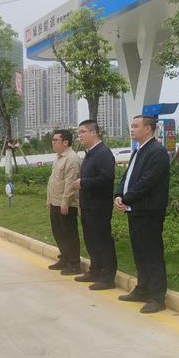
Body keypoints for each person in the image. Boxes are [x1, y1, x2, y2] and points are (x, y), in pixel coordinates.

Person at [114, 115, 171, 313]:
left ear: (148, 129)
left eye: (135, 126)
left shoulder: (157, 152)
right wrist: (119, 195)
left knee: (152, 254)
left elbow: (147, 182)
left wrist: (127, 198)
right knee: (139, 252)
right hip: (135, 210)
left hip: (149, 212)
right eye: (131, 126)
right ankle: (142, 289)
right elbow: (127, 177)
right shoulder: (138, 150)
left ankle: (157, 297)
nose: (131, 129)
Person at [72, 120, 118, 290]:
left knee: (102, 240)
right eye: (79, 133)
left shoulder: (103, 153)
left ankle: (108, 277)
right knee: (91, 239)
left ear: (93, 132)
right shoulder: (90, 153)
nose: (80, 136)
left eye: (82, 132)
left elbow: (107, 178)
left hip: (99, 206)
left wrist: (83, 182)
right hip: (88, 205)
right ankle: (95, 270)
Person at [46, 129, 81, 275]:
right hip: (55, 202)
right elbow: (53, 181)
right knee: (58, 232)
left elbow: (70, 183)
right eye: (53, 140)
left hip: (66, 204)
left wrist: (65, 202)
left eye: (56, 140)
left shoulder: (72, 158)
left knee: (69, 233)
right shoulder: (58, 158)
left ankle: (74, 263)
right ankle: (64, 258)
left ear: (65, 142)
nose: (53, 143)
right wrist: (49, 200)